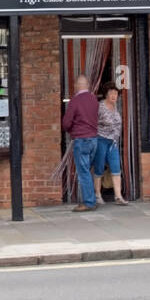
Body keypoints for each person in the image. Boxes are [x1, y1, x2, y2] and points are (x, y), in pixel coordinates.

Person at [61, 74, 100, 212]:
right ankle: (92, 199)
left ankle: (89, 202)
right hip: (94, 139)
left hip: (81, 139)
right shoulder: (94, 100)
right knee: (88, 170)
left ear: (77, 85)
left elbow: (66, 123)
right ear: (88, 85)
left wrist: (71, 130)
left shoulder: (75, 101)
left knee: (83, 172)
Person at [94, 82, 127, 204]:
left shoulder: (115, 107)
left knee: (116, 167)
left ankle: (118, 196)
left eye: (116, 93)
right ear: (106, 95)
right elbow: (93, 123)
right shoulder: (100, 106)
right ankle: (97, 194)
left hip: (113, 142)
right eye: (111, 93)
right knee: (99, 167)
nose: (114, 96)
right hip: (101, 140)